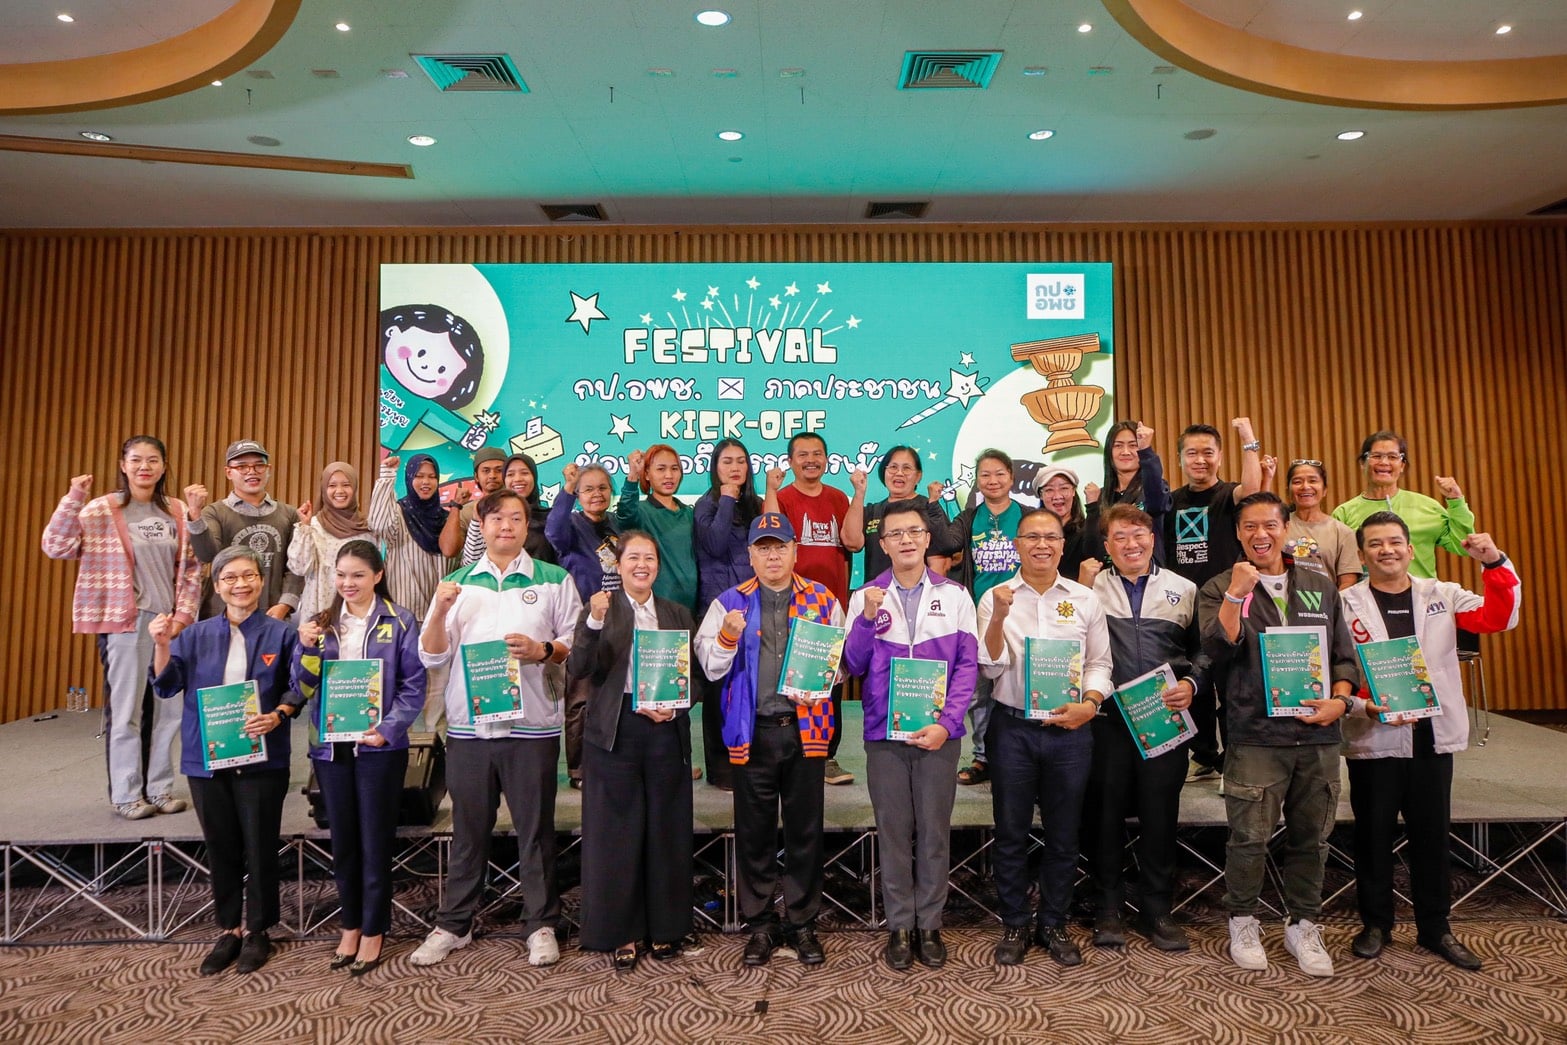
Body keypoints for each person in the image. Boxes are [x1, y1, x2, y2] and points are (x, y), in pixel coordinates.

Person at [409, 489, 582, 969]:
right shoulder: (456, 583)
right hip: (469, 729)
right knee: (468, 830)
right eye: (497, 518)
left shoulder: (553, 579)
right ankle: (454, 924)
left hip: (533, 727)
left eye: (516, 518)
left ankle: (540, 923)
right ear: (481, 526)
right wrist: (439, 610)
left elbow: (576, 640)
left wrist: (542, 650)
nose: (506, 525)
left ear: (527, 526)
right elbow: (432, 655)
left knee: (535, 831)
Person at [1340, 514, 1521, 971]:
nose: (1387, 550)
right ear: (1361, 554)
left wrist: (1494, 562)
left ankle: (1435, 928)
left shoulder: (1443, 594)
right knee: (1372, 835)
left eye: (1395, 542)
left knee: (1432, 836)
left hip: (1432, 737)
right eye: (1375, 544)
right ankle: (1375, 924)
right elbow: (1335, 667)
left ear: (1410, 548)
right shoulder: (1344, 603)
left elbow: (1500, 617)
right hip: (1375, 733)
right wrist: (1362, 706)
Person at [1197, 491, 1360, 978]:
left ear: (1287, 529)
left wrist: (1340, 700)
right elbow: (1218, 650)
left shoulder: (1319, 585)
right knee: (1249, 838)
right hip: (1255, 735)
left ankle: (1303, 924)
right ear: (1238, 533)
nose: (1260, 534)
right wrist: (1235, 595)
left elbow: (1343, 656)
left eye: (1270, 524)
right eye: (1249, 526)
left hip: (1318, 735)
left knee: (1313, 838)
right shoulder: (1220, 586)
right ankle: (1242, 920)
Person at [694, 512, 844, 968]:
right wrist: (727, 636)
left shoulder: (823, 599)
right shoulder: (728, 603)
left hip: (805, 731)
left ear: (795, 551)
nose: (773, 555)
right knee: (754, 833)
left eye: (780, 546)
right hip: (751, 732)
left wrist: (822, 675)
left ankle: (802, 922)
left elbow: (840, 666)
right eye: (764, 548)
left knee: (805, 832)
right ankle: (759, 924)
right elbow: (710, 667)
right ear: (751, 555)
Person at [149, 547, 301, 975]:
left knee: (260, 844)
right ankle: (229, 928)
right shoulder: (194, 635)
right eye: (230, 578)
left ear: (261, 581)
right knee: (221, 845)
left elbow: (296, 687)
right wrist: (161, 644)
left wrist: (278, 714)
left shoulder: (281, 633)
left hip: (263, 758)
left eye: (249, 575)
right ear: (217, 586)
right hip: (206, 758)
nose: (241, 584)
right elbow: (166, 684)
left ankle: (258, 930)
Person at [842, 501, 978, 971]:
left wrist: (947, 724)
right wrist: (866, 619)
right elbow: (852, 665)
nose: (905, 540)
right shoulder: (866, 596)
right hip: (884, 735)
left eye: (914, 532)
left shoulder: (956, 596)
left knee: (935, 831)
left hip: (940, 734)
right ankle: (900, 925)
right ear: (882, 544)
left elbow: (967, 668)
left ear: (926, 539)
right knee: (894, 832)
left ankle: (930, 924)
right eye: (895, 534)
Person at [976, 508, 1113, 968]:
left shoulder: (1084, 599)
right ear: (1016, 545)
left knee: (1064, 834)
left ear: (1061, 544)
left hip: (1070, 731)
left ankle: (1053, 922)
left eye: (1050, 537)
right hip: (1012, 729)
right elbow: (989, 668)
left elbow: (1100, 663)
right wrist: (998, 618)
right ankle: (1015, 922)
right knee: (1010, 832)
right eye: (1032, 537)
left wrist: (1090, 704)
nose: (1041, 545)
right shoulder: (995, 596)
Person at [42, 436, 202, 820]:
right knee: (127, 711)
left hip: (169, 624)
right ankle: (127, 794)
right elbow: (56, 546)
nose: (144, 467)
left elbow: (192, 568)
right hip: (127, 622)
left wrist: (183, 617)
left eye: (153, 460)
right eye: (136, 460)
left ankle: (160, 789)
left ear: (164, 466)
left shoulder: (177, 510)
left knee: (169, 711)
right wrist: (73, 499)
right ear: (123, 465)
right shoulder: (101, 509)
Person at [291, 541, 425, 976]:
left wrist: (388, 730)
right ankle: (350, 924)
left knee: (375, 839)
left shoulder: (401, 621)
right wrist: (307, 648)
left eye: (358, 575)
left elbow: (413, 686)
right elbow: (302, 687)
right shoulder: (320, 624)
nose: (348, 583)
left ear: (378, 576)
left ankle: (374, 928)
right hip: (331, 749)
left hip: (379, 747)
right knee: (343, 840)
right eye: (341, 575)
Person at [567, 532, 697, 971]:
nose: (642, 565)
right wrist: (593, 622)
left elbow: (697, 677)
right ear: (618, 565)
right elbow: (579, 667)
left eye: (650, 558)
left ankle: (666, 928)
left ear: (658, 565)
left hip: (665, 729)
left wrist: (676, 704)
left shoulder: (677, 613)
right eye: (633, 558)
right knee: (616, 836)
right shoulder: (601, 608)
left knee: (666, 830)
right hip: (614, 731)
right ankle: (620, 930)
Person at [1084, 504, 1208, 951]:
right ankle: (1108, 908)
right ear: (1107, 545)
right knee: (1104, 818)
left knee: (1160, 817)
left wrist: (1192, 683)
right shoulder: (1088, 588)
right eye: (1120, 537)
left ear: (1153, 539)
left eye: (1138, 535)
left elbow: (1203, 651)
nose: (1131, 544)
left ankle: (1157, 910)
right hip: (1107, 722)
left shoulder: (1184, 589)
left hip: (1163, 720)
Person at [1165, 418, 1265, 782]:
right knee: (1195, 682)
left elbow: (1252, 489)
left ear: (1219, 457)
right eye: (1192, 453)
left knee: (1230, 683)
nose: (1200, 460)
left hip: (1225, 603)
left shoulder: (1228, 495)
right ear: (1181, 459)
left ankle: (1233, 761)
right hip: (1183, 605)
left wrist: (1247, 437)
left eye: (1208, 453)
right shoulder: (1172, 501)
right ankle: (1204, 754)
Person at [764, 432, 866, 786]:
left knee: (829, 686)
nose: (811, 460)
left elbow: (853, 541)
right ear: (790, 461)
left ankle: (827, 756)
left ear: (826, 460)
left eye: (818, 454)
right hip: (789, 607)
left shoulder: (837, 497)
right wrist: (771, 490)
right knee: (786, 683)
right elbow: (771, 536)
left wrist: (859, 494)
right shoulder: (783, 498)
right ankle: (788, 754)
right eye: (803, 454)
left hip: (829, 607)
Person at [947, 449, 1024, 787]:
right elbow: (943, 541)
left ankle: (1018, 756)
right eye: (985, 475)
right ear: (977, 481)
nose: (992, 481)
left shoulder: (1028, 516)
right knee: (979, 692)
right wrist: (934, 504)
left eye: (999, 474)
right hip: (978, 615)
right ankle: (983, 757)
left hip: (1021, 614)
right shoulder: (968, 519)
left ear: (1011, 477)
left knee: (1020, 685)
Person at [693, 439, 764, 791]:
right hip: (718, 605)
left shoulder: (756, 505)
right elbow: (716, 543)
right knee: (718, 688)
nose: (735, 468)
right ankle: (720, 767)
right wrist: (726, 499)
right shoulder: (706, 505)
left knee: (751, 684)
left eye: (741, 461)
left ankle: (750, 758)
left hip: (755, 605)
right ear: (715, 468)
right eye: (727, 462)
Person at [547, 462, 622, 789]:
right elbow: (553, 531)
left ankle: (613, 760)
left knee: (614, 695)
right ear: (577, 495)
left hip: (618, 621)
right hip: (583, 623)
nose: (597, 494)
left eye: (603, 488)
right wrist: (566, 487)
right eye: (588, 489)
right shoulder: (571, 525)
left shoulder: (614, 524)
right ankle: (579, 770)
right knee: (580, 699)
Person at [1331, 430, 1475, 580]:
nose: (1384, 462)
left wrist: (1456, 501)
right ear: (1363, 463)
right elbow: (1338, 566)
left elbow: (1462, 546)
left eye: (1392, 457)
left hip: (1423, 593)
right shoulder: (1344, 513)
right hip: (1367, 593)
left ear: (1402, 465)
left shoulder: (1428, 507)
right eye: (1376, 456)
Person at [185, 439, 303, 620]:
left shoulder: (289, 514)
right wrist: (195, 515)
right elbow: (207, 555)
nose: (251, 471)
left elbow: (296, 566)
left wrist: (285, 605)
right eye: (242, 467)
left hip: (272, 616)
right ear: (228, 472)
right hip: (222, 616)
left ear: (269, 469)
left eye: (259, 466)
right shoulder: (215, 512)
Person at [845, 445, 962, 580]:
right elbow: (852, 543)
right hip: (877, 590)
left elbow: (941, 561)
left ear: (918, 476)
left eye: (906, 468)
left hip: (919, 590)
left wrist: (928, 592)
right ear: (884, 472)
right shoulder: (873, 510)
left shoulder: (929, 507)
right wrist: (859, 492)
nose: (899, 473)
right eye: (893, 467)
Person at [367, 453, 451, 619]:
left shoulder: (447, 519)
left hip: (440, 618)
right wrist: (387, 475)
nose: (426, 482)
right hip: (402, 618)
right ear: (409, 478)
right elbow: (378, 524)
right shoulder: (399, 514)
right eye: (419, 476)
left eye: (432, 477)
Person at [618, 444, 699, 614]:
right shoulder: (641, 512)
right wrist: (633, 475)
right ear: (647, 474)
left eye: (674, 468)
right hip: (656, 608)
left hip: (692, 608)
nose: (669, 475)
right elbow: (625, 515)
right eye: (661, 469)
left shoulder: (689, 513)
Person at [288, 462, 374, 619]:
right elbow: (299, 568)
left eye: (346, 485)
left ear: (354, 488)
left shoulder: (367, 529)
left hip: (357, 613)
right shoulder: (312, 526)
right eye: (332, 485)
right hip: (318, 612)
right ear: (324, 489)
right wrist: (304, 527)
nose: (339, 491)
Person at [1083, 421, 1172, 567]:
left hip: (1146, 574)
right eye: (1118, 446)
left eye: (1133, 445)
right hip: (1108, 575)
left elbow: (1156, 497)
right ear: (1109, 452)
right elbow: (1091, 550)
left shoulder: (1151, 490)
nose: (1125, 452)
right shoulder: (1101, 495)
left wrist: (1146, 450)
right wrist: (1092, 508)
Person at [1280, 459, 1360, 588]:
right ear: (1288, 490)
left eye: (1312, 481)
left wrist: (1332, 601)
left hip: (1327, 600)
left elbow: (1347, 582)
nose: (1305, 486)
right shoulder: (1278, 526)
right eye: (1297, 482)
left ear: (1325, 490)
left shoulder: (1343, 532)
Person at [437, 446, 507, 562]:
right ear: (476, 477)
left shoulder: (520, 507)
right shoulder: (467, 511)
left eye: (499, 470)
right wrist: (456, 506)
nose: (492, 475)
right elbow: (449, 550)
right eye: (486, 471)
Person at [1035, 465, 1092, 584]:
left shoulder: (1088, 531)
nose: (1057, 496)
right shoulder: (1033, 535)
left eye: (1064, 488)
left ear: (1073, 491)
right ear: (1041, 495)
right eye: (1049, 490)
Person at [499, 453, 556, 564]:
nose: (517, 479)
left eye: (524, 473)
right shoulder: (495, 518)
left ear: (534, 477)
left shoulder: (550, 518)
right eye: (510, 474)